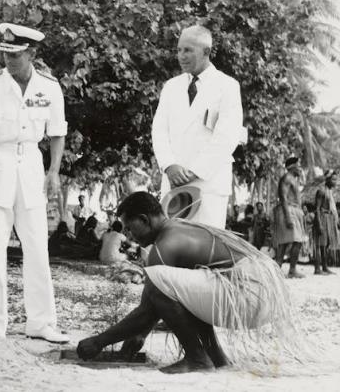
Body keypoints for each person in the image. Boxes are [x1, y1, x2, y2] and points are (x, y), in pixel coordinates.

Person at [77, 192, 306, 374]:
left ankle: (197, 358)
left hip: (251, 295)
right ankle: (215, 357)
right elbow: (175, 295)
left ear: (144, 220)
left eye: (129, 227)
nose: (128, 234)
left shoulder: (165, 245)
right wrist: (138, 336)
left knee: (164, 286)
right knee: (187, 287)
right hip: (264, 291)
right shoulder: (177, 227)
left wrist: (99, 341)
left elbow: (150, 306)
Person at [0, 23, 69, 343]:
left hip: (31, 170)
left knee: (38, 247)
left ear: (33, 53)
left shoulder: (49, 88)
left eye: (17, 54)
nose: (9, 60)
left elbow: (57, 133)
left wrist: (54, 171)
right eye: (6, 54)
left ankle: (41, 322)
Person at [152, 25, 244, 229]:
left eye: (188, 50)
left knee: (204, 251)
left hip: (208, 185)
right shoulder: (171, 87)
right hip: (173, 185)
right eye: (178, 50)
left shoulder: (227, 86)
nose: (181, 56)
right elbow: (159, 130)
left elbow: (226, 138)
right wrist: (169, 165)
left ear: (206, 52)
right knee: (172, 249)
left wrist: (193, 172)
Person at [272, 157, 307, 278]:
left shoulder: (293, 179)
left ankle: (279, 269)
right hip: (288, 210)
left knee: (289, 242)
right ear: (292, 167)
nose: (300, 168)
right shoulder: (287, 178)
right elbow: (283, 197)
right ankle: (289, 270)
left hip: (293, 210)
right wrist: (287, 216)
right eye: (298, 165)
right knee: (295, 241)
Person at [313, 169, 339, 275]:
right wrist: (319, 223)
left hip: (328, 219)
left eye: (336, 180)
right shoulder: (322, 191)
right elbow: (317, 208)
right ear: (327, 179)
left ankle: (324, 267)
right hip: (322, 218)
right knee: (319, 244)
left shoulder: (329, 191)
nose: (335, 182)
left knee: (326, 244)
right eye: (333, 179)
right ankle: (317, 269)